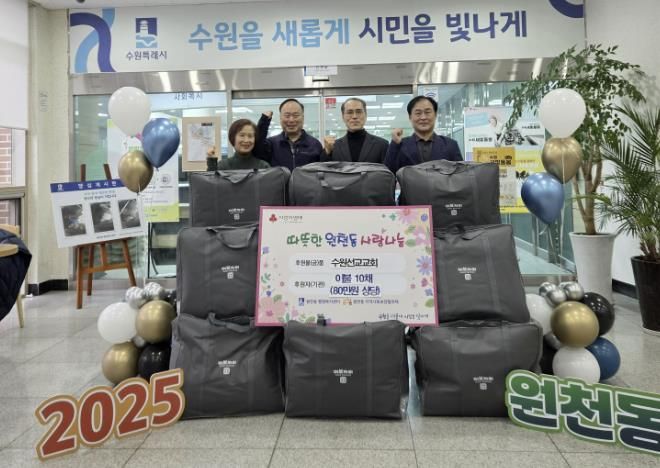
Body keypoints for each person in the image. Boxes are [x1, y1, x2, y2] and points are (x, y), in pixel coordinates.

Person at [384, 96, 462, 173]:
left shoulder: (450, 145)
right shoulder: (400, 145)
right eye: (418, 113)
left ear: (435, 115)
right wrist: (394, 144)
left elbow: (461, 175)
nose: (423, 117)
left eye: (427, 112)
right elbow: (388, 173)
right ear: (410, 117)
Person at [253, 98, 323, 170]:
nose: (291, 120)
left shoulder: (315, 144)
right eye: (287, 116)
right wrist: (264, 121)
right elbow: (257, 150)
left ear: (303, 118)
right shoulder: (271, 144)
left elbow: (323, 171)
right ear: (280, 118)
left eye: (296, 115)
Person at [321, 97, 388, 163]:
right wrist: (327, 152)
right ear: (343, 117)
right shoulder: (333, 147)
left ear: (365, 115)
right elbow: (323, 168)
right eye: (349, 112)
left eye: (359, 112)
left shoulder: (382, 145)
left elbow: (388, 169)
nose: (354, 116)